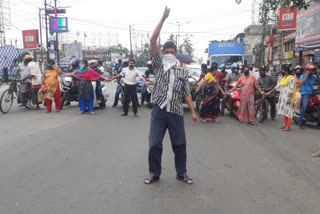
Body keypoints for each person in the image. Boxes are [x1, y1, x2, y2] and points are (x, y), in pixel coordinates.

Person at [144, 7, 198, 185]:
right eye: (166, 51)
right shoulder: (159, 64)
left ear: (176, 53)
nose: (168, 53)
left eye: (171, 51)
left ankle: (181, 173)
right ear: (163, 53)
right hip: (159, 111)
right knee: (154, 144)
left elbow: (186, 93)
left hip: (175, 112)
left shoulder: (182, 70)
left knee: (180, 144)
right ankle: (154, 173)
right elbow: (152, 40)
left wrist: (193, 111)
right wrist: (163, 19)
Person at [266, 65, 296, 131]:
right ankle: (285, 124)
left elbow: (291, 89)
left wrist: (288, 98)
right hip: (282, 97)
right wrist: (269, 92)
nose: (282, 71)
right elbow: (277, 86)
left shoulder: (291, 78)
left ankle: (288, 126)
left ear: (286, 71)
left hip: (288, 97)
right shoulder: (284, 78)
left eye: (283, 70)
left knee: (288, 111)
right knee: (284, 112)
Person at [297, 63, 320, 129]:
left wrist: (317, 74)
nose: (312, 71)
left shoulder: (313, 76)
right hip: (305, 93)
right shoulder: (302, 76)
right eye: (310, 70)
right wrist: (306, 75)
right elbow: (301, 83)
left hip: (313, 93)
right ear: (307, 70)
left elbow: (319, 82)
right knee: (304, 105)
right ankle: (300, 122)